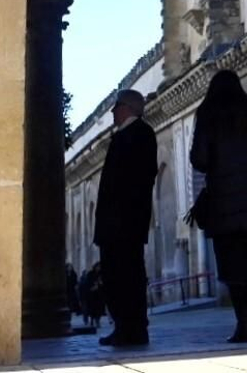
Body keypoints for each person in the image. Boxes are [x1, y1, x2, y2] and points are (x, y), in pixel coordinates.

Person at [189, 69, 247, 343]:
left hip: (222, 205)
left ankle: (241, 320)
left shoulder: (209, 121)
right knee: (246, 260)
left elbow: (200, 160)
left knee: (231, 266)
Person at [93, 89, 158, 348]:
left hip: (124, 222)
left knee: (126, 276)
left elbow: (135, 180)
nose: (112, 112)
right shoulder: (126, 135)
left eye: (116, 106)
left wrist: (119, 217)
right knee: (117, 275)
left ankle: (131, 328)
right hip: (120, 222)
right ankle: (124, 326)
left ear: (128, 107)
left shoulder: (139, 134)